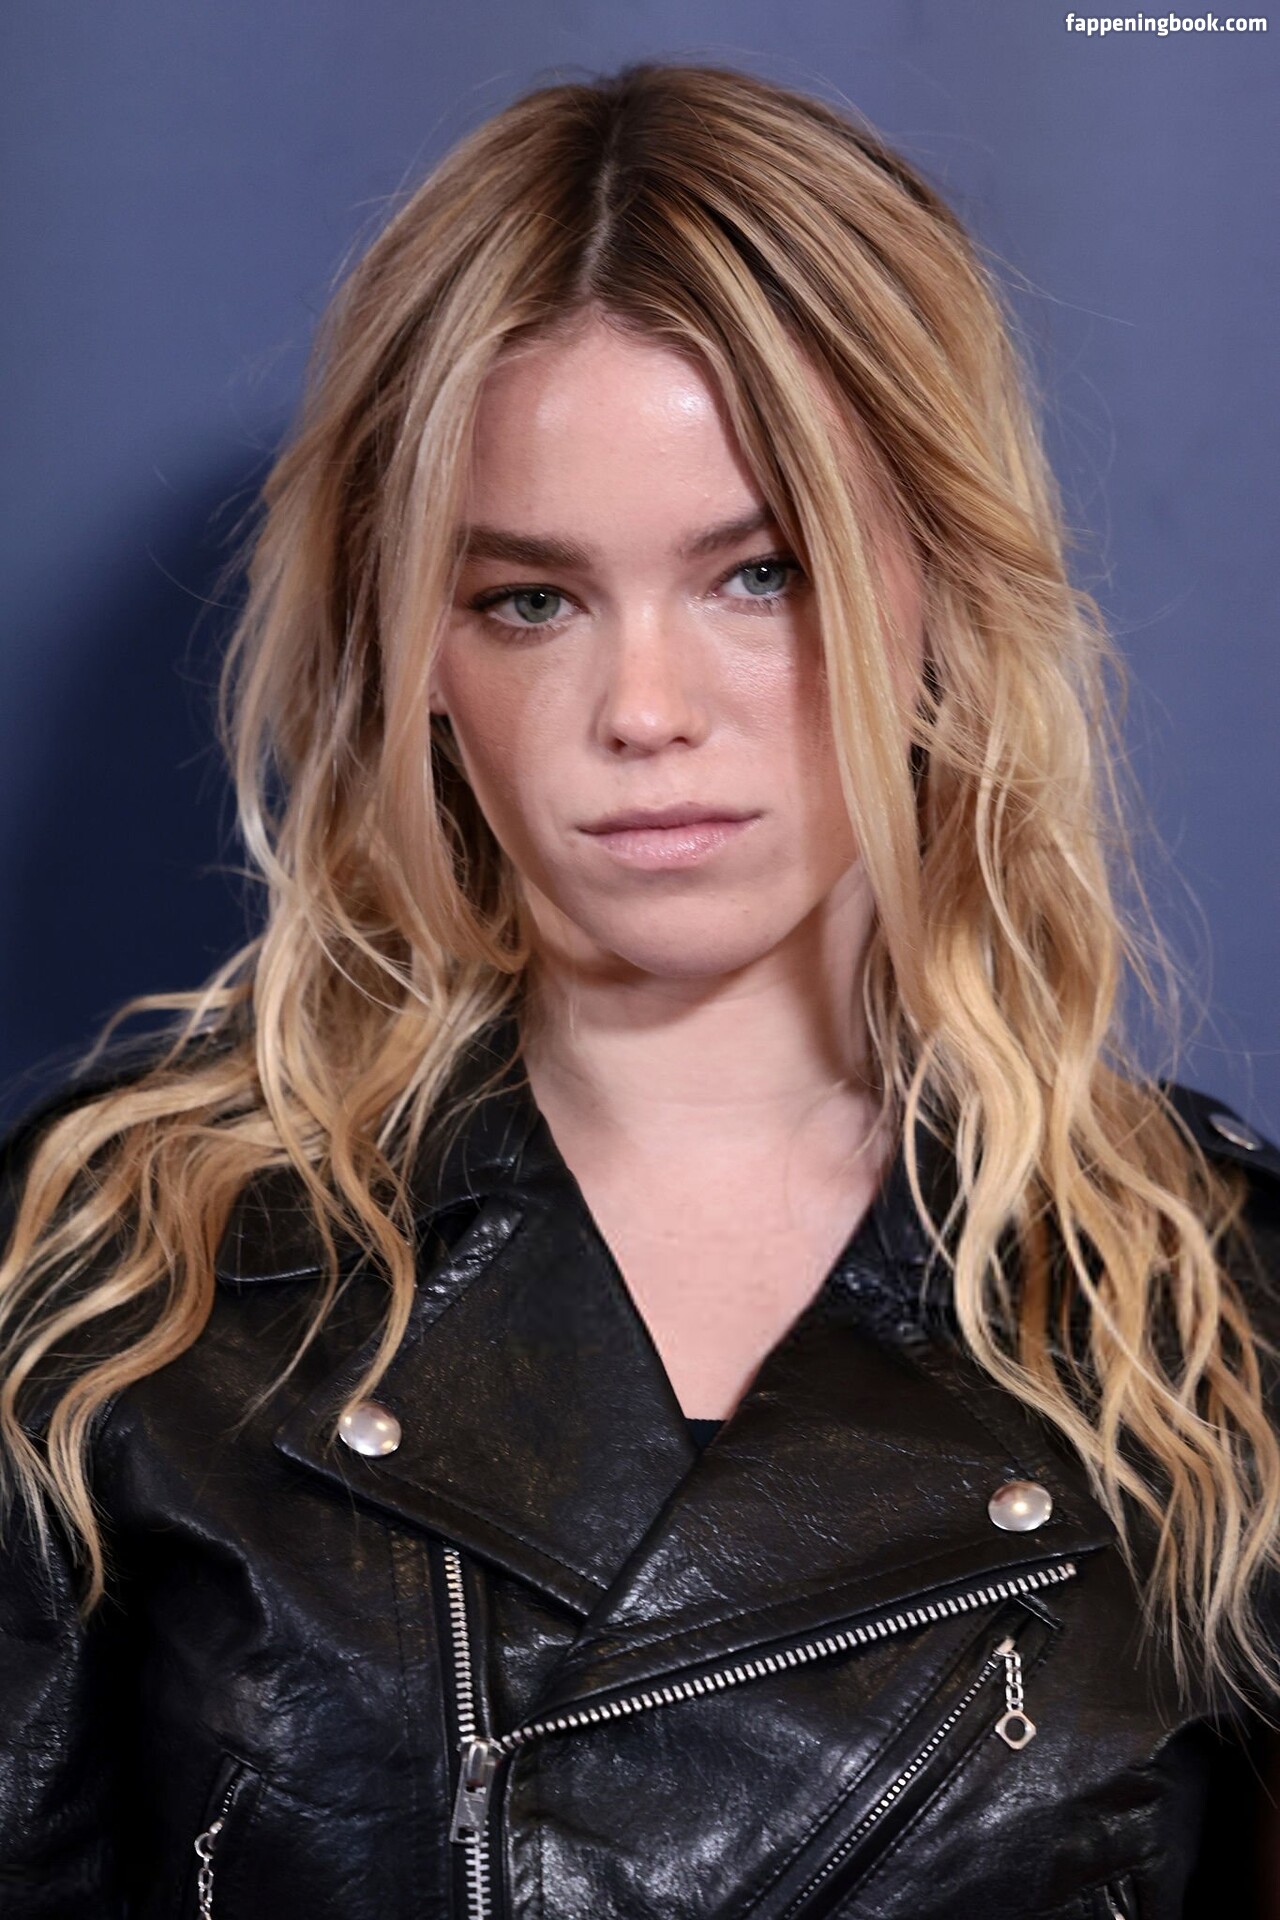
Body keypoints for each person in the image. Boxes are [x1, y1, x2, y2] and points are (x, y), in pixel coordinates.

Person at [0, 59, 1277, 1920]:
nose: (645, 710)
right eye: (530, 599)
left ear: (936, 589)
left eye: (760, 575)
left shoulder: (1209, 1321)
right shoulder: (124, 1277)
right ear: (411, 648)